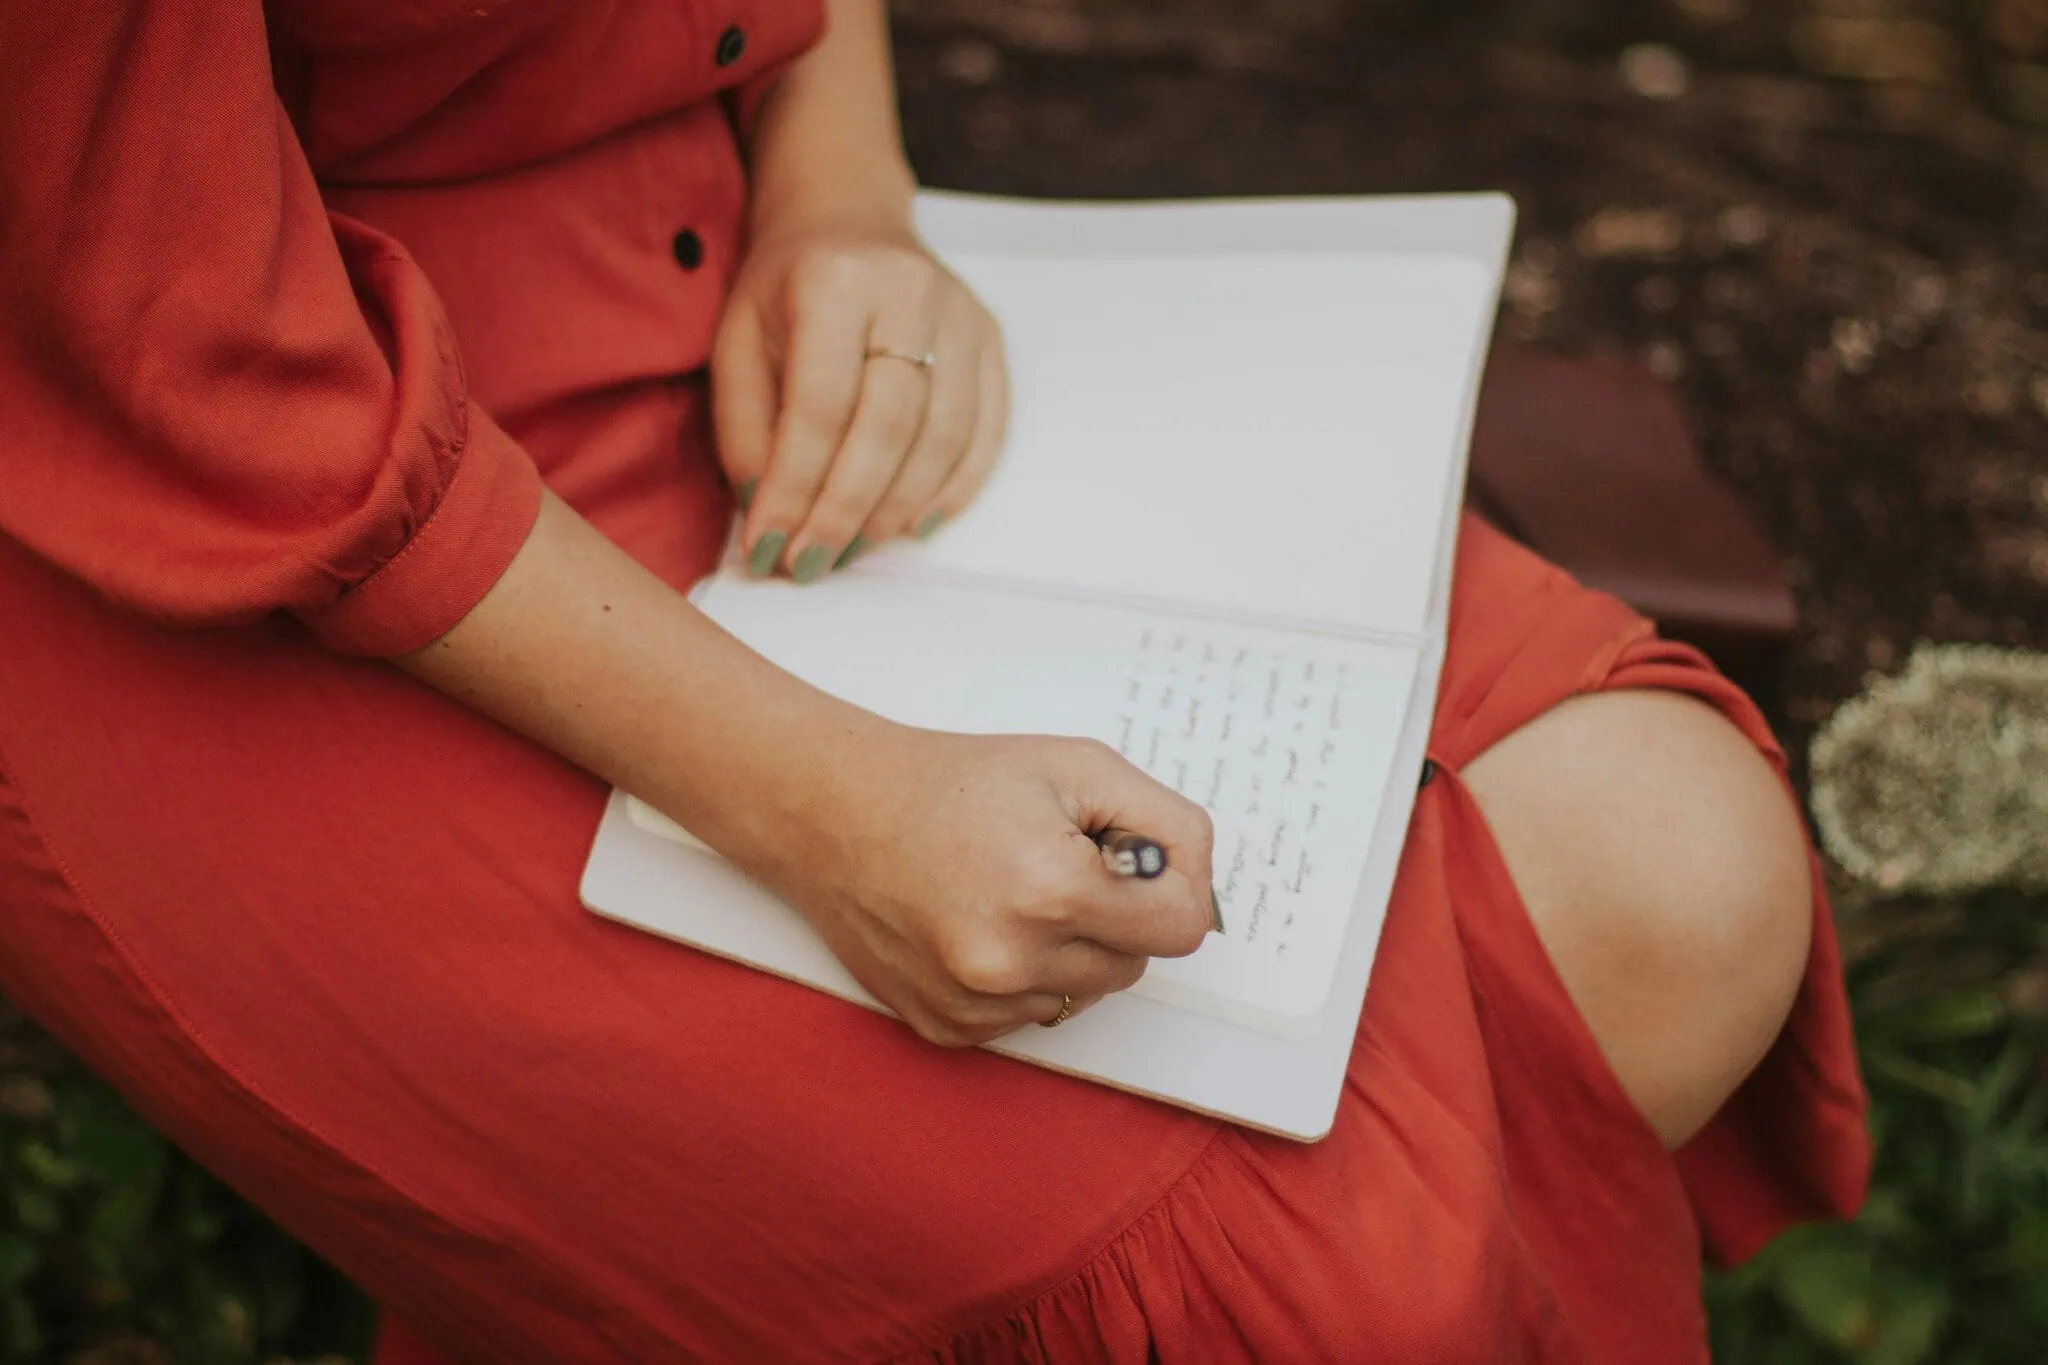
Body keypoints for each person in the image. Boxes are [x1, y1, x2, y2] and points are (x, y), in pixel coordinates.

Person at [0, 1, 1869, 1360]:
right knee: (1297, 1269)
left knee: (1670, 873)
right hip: (206, 477)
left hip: (737, 267)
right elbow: (191, 348)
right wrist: (829, 803)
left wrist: (844, 196)